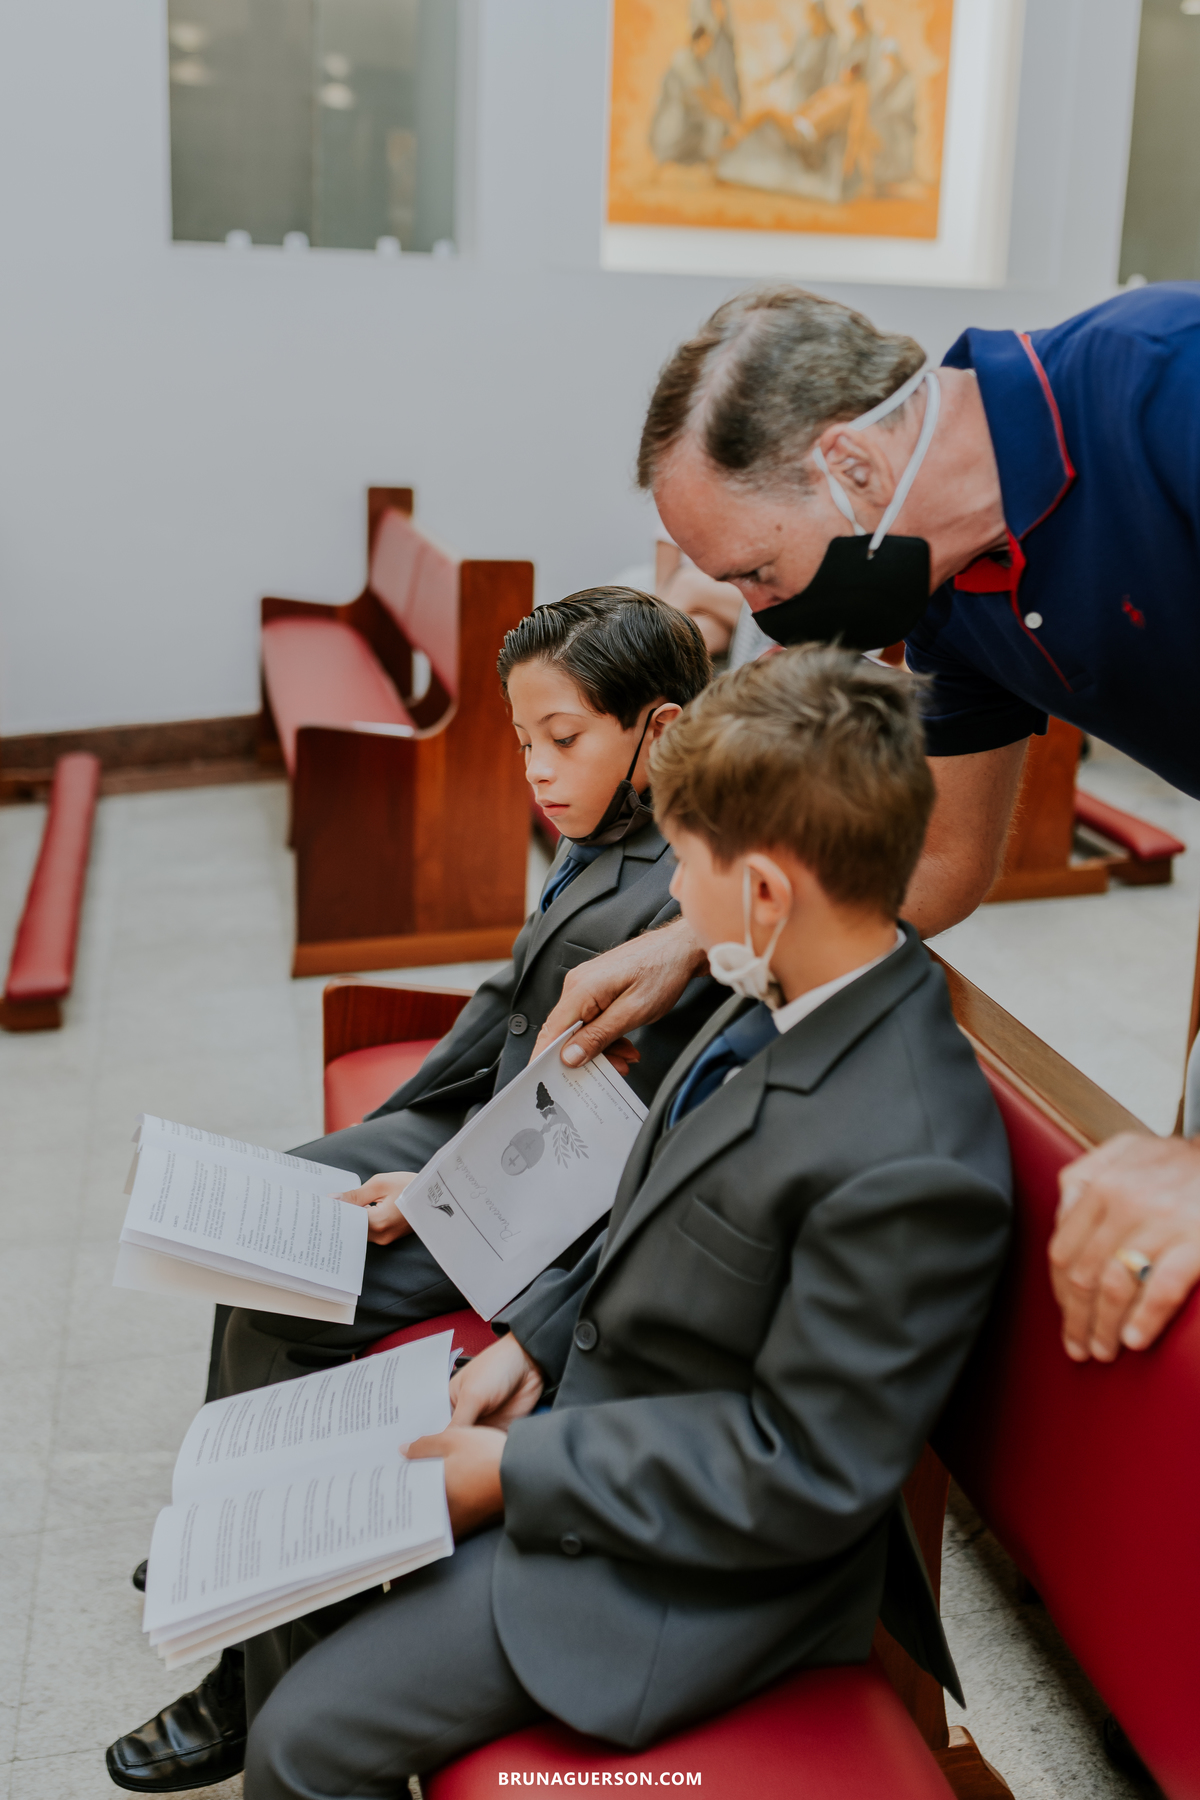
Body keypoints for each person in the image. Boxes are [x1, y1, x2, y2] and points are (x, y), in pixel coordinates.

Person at [232, 645, 1011, 1799]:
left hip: (693, 1571)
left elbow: (802, 1468)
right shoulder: (783, 995)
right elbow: (660, 1213)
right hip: (601, 1426)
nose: (671, 909)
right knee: (291, 1545)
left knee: (303, 1748)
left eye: (685, 865)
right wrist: (535, 1346)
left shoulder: (909, 1154)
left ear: (766, 893)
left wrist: (515, 1473)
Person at [105, 588, 726, 1795]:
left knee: (284, 1292)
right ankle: (226, 1534)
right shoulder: (603, 824)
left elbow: (607, 1145)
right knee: (270, 1217)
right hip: (480, 1125)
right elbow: (508, 998)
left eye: (565, 739)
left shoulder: (682, 891)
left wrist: (438, 1181)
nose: (538, 770)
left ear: (655, 734)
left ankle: (254, 1671)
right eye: (522, 740)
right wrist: (404, 1128)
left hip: (539, 1204)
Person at [531, 282, 1200, 1363]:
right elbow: (941, 865)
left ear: (852, 466)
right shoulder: (938, 583)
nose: (759, 617)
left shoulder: (1167, 383)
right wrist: (704, 939)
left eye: (757, 569)